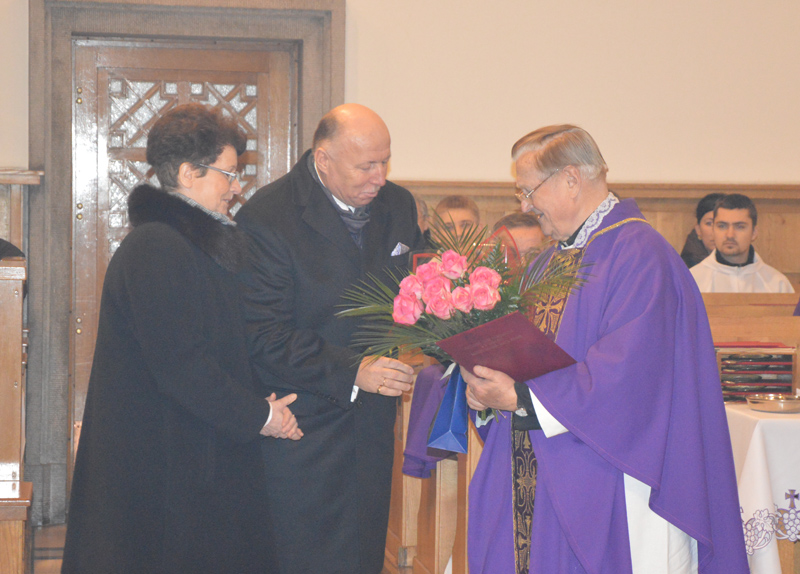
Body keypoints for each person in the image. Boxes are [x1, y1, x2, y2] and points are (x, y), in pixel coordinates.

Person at [461, 125, 748, 574]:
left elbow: (626, 377)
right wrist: (486, 392)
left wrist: (520, 399)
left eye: (528, 191)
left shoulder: (641, 256)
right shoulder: (548, 262)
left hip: (610, 473)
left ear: (571, 180)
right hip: (539, 469)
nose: (525, 206)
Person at [61, 104, 302, 574]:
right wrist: (259, 415)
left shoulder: (191, 243)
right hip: (161, 472)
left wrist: (258, 401)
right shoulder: (157, 247)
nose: (237, 188)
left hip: (189, 455)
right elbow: (181, 366)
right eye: (228, 174)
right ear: (190, 173)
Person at [235, 103, 422, 574]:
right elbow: (264, 333)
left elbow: (420, 287)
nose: (380, 178)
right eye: (366, 166)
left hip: (372, 425)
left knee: (364, 555)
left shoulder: (398, 206)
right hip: (303, 426)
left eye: (385, 162)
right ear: (323, 159)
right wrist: (354, 370)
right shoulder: (268, 216)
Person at [690, 194, 794, 293]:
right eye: (722, 226)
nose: (730, 235)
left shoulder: (777, 284)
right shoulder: (693, 281)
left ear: (754, 233)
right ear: (713, 230)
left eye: (740, 227)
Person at [680, 193, 725, 268]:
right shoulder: (686, 266)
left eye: (721, 225)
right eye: (709, 223)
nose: (715, 231)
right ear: (698, 230)